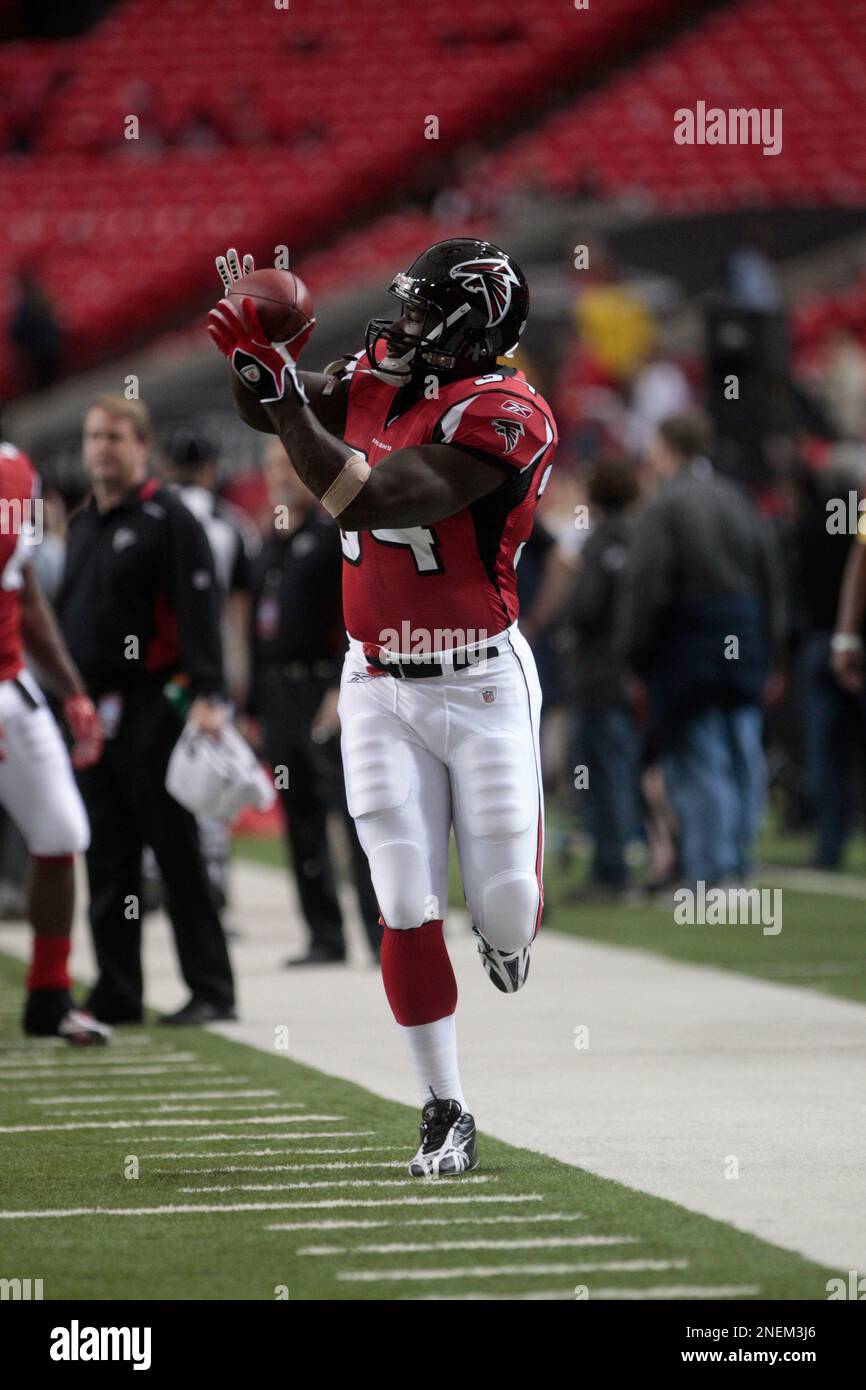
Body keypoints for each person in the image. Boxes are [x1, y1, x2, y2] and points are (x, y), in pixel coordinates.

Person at [209, 239, 557, 1177]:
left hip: (480, 681)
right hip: (375, 684)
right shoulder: (379, 372)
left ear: (467, 329)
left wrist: (281, 391)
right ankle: (445, 1108)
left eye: (419, 311)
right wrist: (257, 362)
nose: (398, 325)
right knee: (402, 901)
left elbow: (366, 497)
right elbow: (272, 412)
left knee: (509, 909)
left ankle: (508, 929)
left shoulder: (508, 412)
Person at [56, 396, 236, 1026]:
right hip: (92, 714)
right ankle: (118, 987)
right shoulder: (83, 524)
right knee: (107, 854)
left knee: (176, 848)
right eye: (92, 436)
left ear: (141, 446)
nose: (101, 447)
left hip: (154, 703)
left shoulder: (168, 517)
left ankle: (211, 987)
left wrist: (207, 696)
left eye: (114, 436)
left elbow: (199, 611)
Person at [622, 411, 785, 888]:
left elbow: (645, 587)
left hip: (688, 643)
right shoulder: (738, 497)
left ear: (667, 448)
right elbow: (772, 574)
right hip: (746, 636)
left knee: (699, 755)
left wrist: (632, 653)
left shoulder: (664, 505)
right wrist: (774, 649)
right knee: (743, 750)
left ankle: (711, 868)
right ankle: (739, 860)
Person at [247, 437, 382, 966]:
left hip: (321, 690)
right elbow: (259, 631)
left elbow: (355, 620)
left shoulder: (331, 536)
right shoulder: (269, 540)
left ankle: (381, 934)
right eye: (271, 466)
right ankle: (324, 936)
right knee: (299, 816)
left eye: (287, 463)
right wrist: (252, 706)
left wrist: (336, 688)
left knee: (352, 813)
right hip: (278, 691)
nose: (279, 474)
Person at [0, 441, 108, 1044]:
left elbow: (25, 591)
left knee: (63, 831)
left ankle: (49, 992)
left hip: (11, 681)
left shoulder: (16, 470)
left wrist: (72, 690)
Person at [160, 425, 261, 912]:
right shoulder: (231, 524)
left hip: (158, 664)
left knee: (159, 766)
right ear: (210, 469)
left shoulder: (153, 513)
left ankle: (155, 875)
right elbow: (240, 609)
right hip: (211, 658)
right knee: (212, 767)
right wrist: (237, 672)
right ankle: (214, 874)